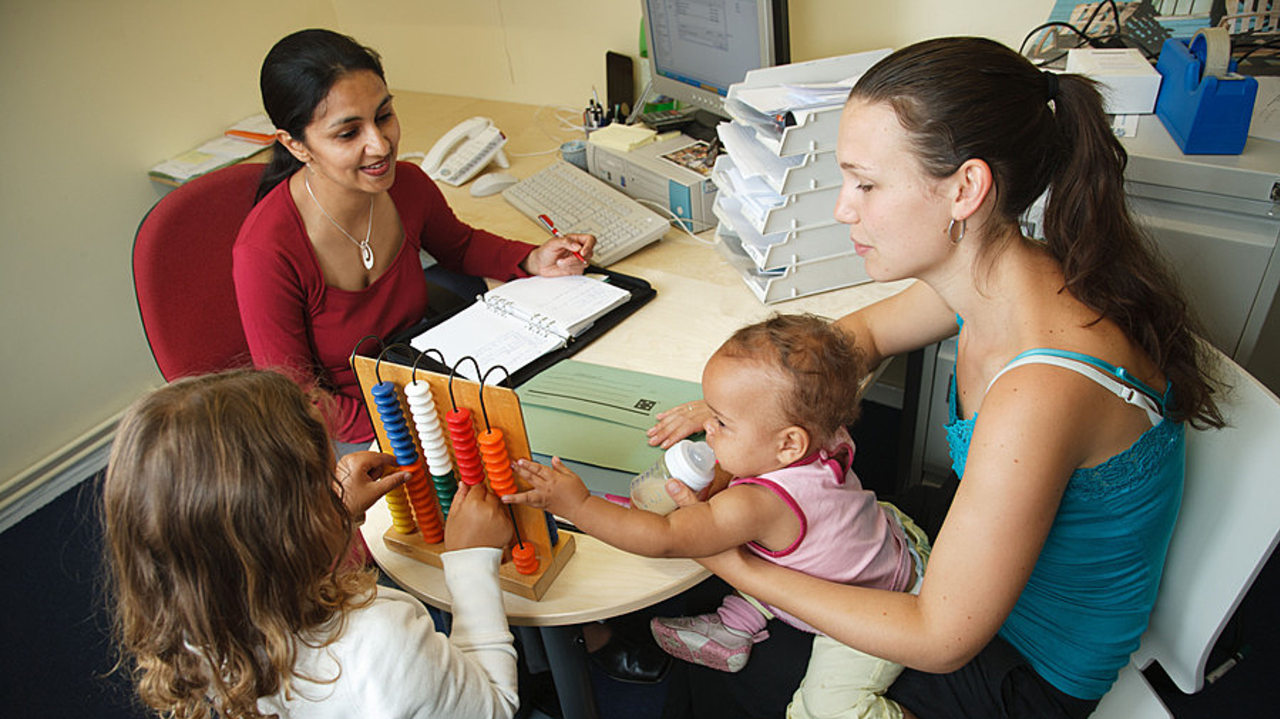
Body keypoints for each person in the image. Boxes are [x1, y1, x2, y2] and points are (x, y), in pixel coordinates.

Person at [655, 37, 1225, 719]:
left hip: (1022, 665)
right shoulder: (994, 275)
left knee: (739, 660)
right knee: (729, 578)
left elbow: (940, 637)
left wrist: (744, 568)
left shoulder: (1039, 390)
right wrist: (749, 409)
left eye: (865, 183)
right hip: (970, 567)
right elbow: (852, 340)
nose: (845, 208)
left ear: (965, 189)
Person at [509, 314, 929, 717]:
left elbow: (666, 537)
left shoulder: (756, 505)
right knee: (771, 553)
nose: (706, 427)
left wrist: (578, 505)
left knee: (823, 709)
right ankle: (737, 624)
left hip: (878, 606)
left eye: (722, 422)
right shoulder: (828, 434)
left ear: (787, 445)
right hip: (888, 538)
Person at [234, 29, 594, 449]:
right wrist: (417, 421)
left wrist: (534, 259)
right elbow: (301, 401)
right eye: (349, 133)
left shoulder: (407, 185)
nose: (381, 144)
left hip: (429, 381)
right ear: (295, 145)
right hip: (354, 430)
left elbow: (459, 246)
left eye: (383, 115)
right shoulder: (265, 253)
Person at [102, 369, 519, 719]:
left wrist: (335, 511)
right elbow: (494, 706)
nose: (335, 487)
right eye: (324, 484)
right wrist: (469, 562)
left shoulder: (200, 627)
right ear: (291, 528)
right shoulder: (381, 640)